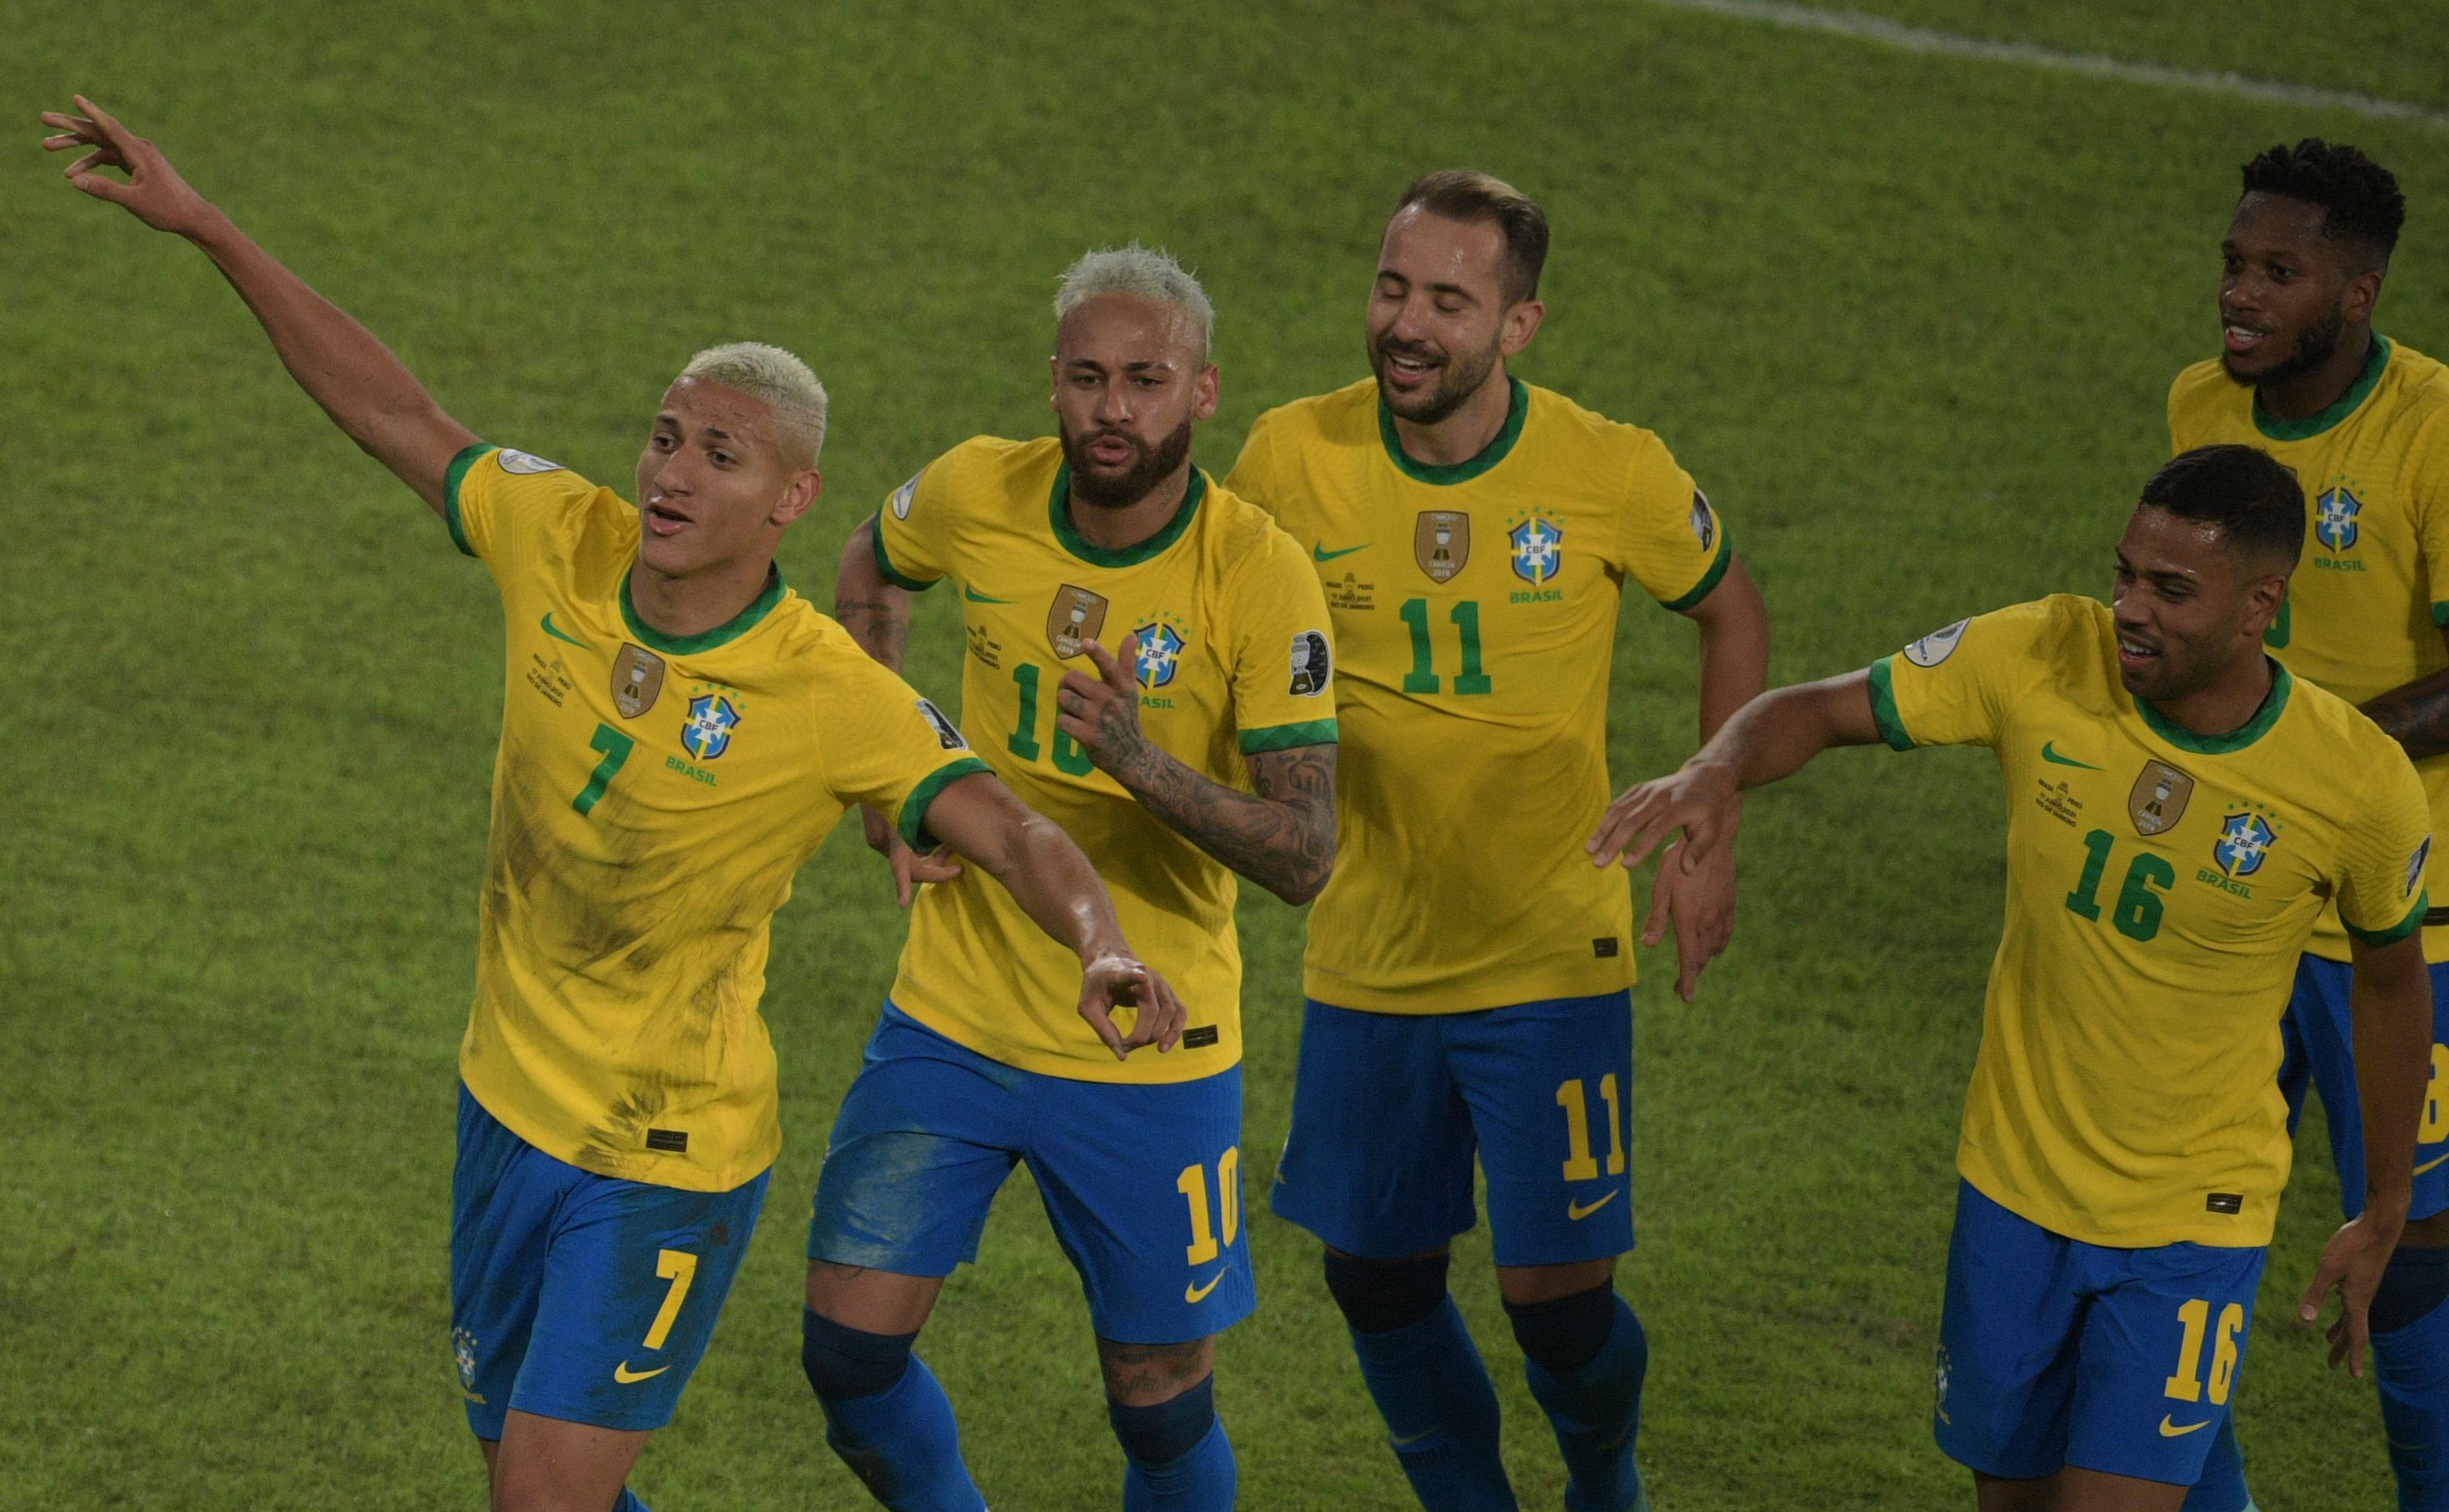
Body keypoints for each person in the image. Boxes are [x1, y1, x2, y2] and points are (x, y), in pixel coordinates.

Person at [40, 97, 1185, 1512]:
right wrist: (209, 224)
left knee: (539, 1498)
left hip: (662, 1150)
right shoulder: (555, 535)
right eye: (665, 436)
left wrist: (1102, 941)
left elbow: (1008, 826)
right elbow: (395, 411)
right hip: (502, 1108)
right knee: (511, 1471)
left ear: (788, 498)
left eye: (719, 455)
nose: (669, 473)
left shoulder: (828, 689)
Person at [1592, 445, 2436, 1512]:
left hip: (2190, 1216)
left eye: (2169, 590)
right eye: (2123, 572)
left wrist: (2387, 1200)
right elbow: (1816, 708)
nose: (2128, 607)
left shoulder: (2354, 784)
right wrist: (1713, 769)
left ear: (2260, 603)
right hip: (2012, 1191)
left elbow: (2392, 982)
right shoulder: (2042, 651)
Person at [1224, 170, 1770, 1512]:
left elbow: (1730, 613)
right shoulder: (1291, 456)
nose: (1407, 325)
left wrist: (1708, 820)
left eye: (1448, 302)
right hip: (1368, 950)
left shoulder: (1609, 469)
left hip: (1548, 948)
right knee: (1374, 1276)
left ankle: (1605, 1480)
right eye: (1392, 288)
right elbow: (1228, 638)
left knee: (1555, 1303)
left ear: (1517, 325)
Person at [809, 245, 1338, 1512]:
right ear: (1052, 381)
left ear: (1201, 393)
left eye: (1146, 381)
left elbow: (1305, 857)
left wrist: (1140, 762)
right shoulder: (975, 490)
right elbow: (872, 570)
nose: (1114, 409)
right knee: (848, 1356)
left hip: (1152, 1039)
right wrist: (896, 772)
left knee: (1157, 1400)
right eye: (1090, 378)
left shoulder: (1257, 573)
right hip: (954, 1011)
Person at [2166, 138, 2449, 1512]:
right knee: (2177, 1222)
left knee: (2412, 1257)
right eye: (2232, 266)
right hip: (2241, 895)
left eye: (2278, 272)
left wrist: (2297, 761)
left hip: (2417, 913)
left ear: (2357, 291)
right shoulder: (2201, 405)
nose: (2239, 298)